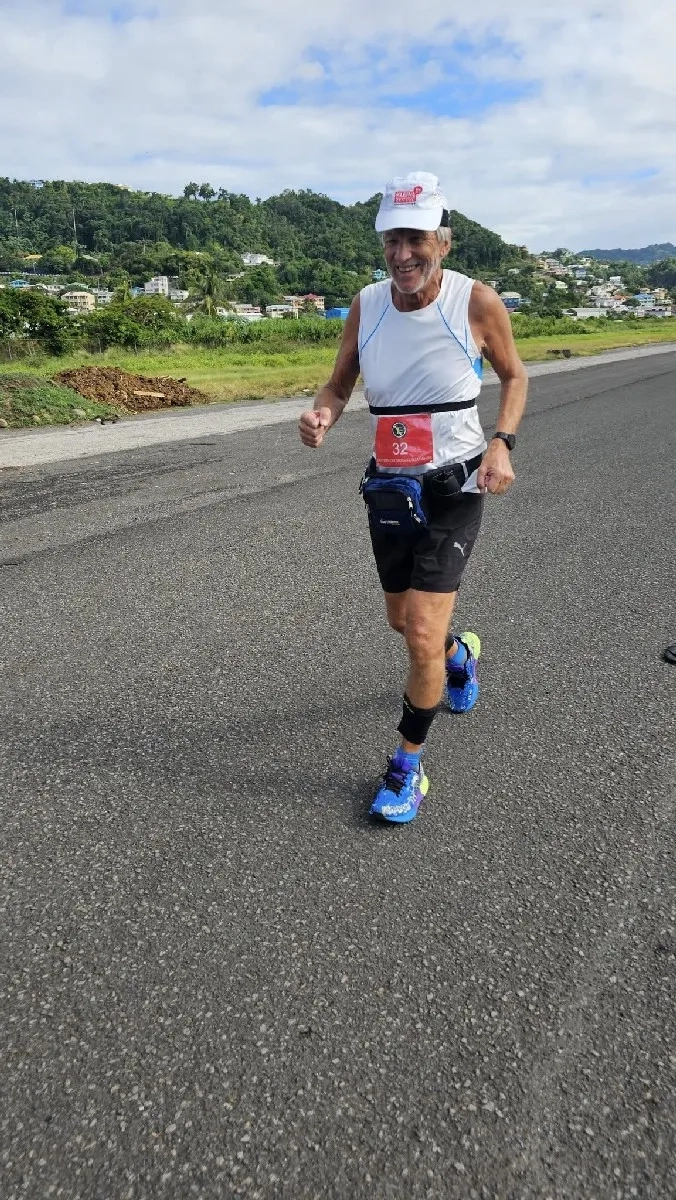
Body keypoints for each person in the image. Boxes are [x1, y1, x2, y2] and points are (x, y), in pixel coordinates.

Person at [299, 171, 528, 823]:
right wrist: (321, 415)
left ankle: (407, 768)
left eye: (415, 238)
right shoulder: (367, 305)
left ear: (444, 242)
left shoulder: (475, 302)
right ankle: (462, 657)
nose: (402, 253)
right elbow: (339, 385)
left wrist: (502, 442)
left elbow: (514, 375)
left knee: (420, 634)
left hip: (455, 487)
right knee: (403, 624)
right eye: (391, 240)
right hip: (392, 490)